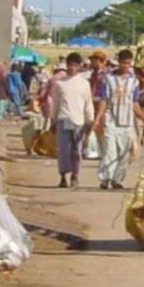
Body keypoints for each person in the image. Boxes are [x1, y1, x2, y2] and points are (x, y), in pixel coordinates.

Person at [93, 49, 144, 190]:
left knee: (124, 151)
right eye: (123, 63)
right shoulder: (108, 79)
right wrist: (98, 118)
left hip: (127, 120)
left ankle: (117, 179)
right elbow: (104, 100)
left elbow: (134, 102)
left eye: (128, 63)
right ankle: (105, 178)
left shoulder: (134, 82)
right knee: (110, 149)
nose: (125, 66)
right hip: (111, 118)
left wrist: (143, 118)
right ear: (119, 62)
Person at [51, 52, 94, 188]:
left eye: (75, 65)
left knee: (76, 150)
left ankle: (75, 175)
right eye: (70, 65)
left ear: (79, 67)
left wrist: (90, 120)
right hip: (63, 119)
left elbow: (88, 103)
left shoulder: (84, 84)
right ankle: (63, 176)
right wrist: (53, 120)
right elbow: (55, 103)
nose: (72, 68)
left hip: (79, 122)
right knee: (63, 150)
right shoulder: (60, 84)